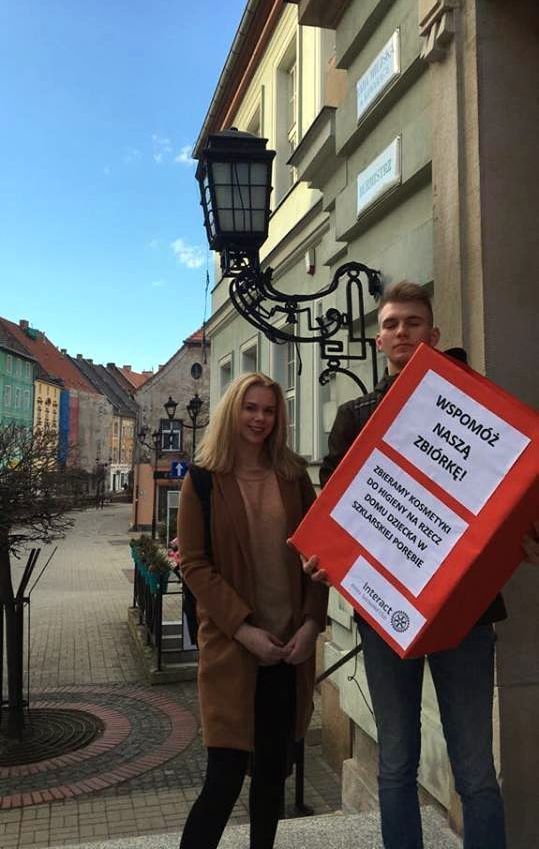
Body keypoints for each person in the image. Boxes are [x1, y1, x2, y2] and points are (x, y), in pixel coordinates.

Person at [303, 281, 507, 849]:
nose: (401, 332)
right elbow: (333, 512)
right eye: (391, 324)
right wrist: (327, 560)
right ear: (378, 339)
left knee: (475, 769)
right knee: (395, 762)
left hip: (464, 611)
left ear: (432, 334)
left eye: (412, 323)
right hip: (386, 610)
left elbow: (503, 492)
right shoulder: (355, 417)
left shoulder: (475, 406)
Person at [178, 372, 328, 849]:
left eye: (269, 410)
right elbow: (194, 564)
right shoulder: (203, 479)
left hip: (287, 649)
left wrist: (311, 624)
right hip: (233, 649)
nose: (260, 418)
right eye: (250, 408)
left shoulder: (293, 476)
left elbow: (320, 555)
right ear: (232, 412)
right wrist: (244, 630)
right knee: (222, 780)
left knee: (271, 778)